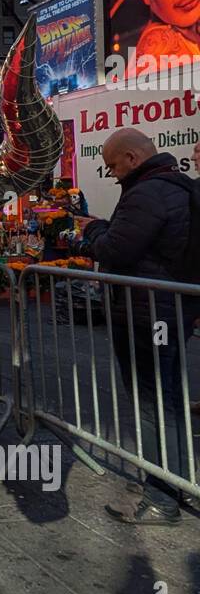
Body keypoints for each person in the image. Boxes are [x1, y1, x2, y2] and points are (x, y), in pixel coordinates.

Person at [77, 130, 193, 524]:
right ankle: (175, 483)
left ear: (131, 157)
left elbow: (114, 249)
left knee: (152, 405)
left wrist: (92, 230)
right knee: (168, 403)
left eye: (111, 165)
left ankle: (162, 497)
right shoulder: (175, 187)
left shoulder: (147, 193)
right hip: (167, 311)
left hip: (145, 315)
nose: (111, 174)